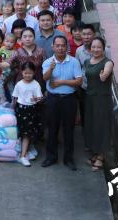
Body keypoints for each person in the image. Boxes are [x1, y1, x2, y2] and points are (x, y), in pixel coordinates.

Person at [41, 36, 83, 171]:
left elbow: (79, 81)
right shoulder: (48, 62)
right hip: (52, 99)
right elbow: (45, 78)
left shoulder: (74, 62)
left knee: (68, 129)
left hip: (69, 99)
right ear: (53, 47)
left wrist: (61, 82)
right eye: (57, 45)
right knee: (52, 128)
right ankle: (51, 157)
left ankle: (69, 159)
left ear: (67, 47)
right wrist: (51, 68)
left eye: (63, 45)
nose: (60, 48)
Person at [83, 37, 114, 171]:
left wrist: (103, 76)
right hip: (89, 98)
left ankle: (101, 157)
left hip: (102, 99)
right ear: (90, 49)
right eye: (93, 47)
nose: (96, 49)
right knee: (91, 125)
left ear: (103, 48)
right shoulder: (86, 61)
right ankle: (95, 153)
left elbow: (105, 73)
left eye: (98, 47)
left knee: (102, 127)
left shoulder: (108, 62)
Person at [12, 62, 43, 167]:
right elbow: (15, 98)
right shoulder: (19, 84)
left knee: (29, 133)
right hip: (21, 109)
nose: (27, 75)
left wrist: (37, 99)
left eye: (30, 73)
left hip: (32, 110)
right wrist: (12, 110)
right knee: (23, 133)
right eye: (25, 73)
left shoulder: (36, 84)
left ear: (34, 73)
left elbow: (39, 98)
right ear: (22, 72)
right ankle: (23, 155)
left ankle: (24, 154)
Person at [0, 32, 18, 104]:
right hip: (5, 70)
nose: (8, 43)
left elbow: (11, 64)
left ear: (15, 43)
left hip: (9, 70)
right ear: (4, 41)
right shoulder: (3, 48)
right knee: (10, 84)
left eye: (11, 42)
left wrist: (0, 65)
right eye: (7, 41)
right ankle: (14, 100)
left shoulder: (14, 52)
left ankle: (3, 99)